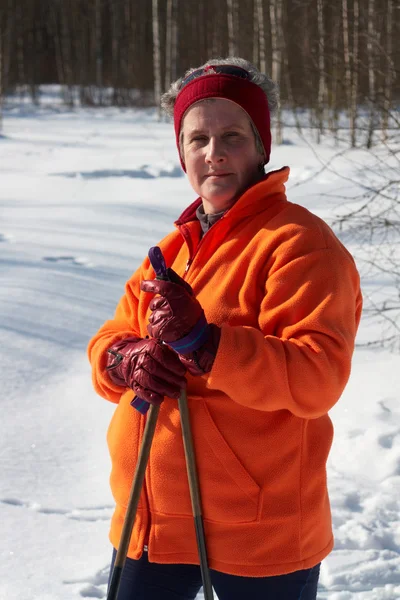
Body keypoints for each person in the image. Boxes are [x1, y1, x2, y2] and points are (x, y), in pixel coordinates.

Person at [87, 57, 362, 600]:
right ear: (182, 152)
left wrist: (204, 344)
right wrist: (129, 360)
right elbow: (107, 341)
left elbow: (316, 377)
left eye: (232, 136)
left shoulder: (299, 244)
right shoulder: (172, 250)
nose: (214, 153)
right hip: (153, 525)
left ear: (261, 145)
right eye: (198, 139)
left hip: (259, 536)